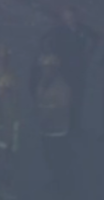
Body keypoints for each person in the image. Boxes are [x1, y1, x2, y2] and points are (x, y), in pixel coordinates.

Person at [38, 7, 95, 136]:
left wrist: (89, 54)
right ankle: (64, 125)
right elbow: (45, 42)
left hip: (79, 70)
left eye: (73, 16)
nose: (71, 19)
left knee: (78, 98)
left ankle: (76, 126)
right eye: (68, 16)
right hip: (64, 70)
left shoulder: (83, 29)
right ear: (64, 18)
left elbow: (95, 38)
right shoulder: (59, 31)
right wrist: (53, 58)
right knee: (64, 99)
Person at [36, 55, 73, 195]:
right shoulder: (43, 82)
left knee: (58, 160)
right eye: (44, 68)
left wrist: (45, 118)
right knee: (49, 158)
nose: (45, 71)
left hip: (57, 130)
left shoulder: (62, 88)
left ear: (54, 70)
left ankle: (63, 186)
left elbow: (60, 110)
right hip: (45, 128)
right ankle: (55, 180)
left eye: (48, 68)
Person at [0, 56, 20, 200]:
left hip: (3, 139)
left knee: (4, 164)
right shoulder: (1, 100)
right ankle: (0, 187)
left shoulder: (7, 104)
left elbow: (9, 124)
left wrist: (5, 142)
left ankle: (6, 190)